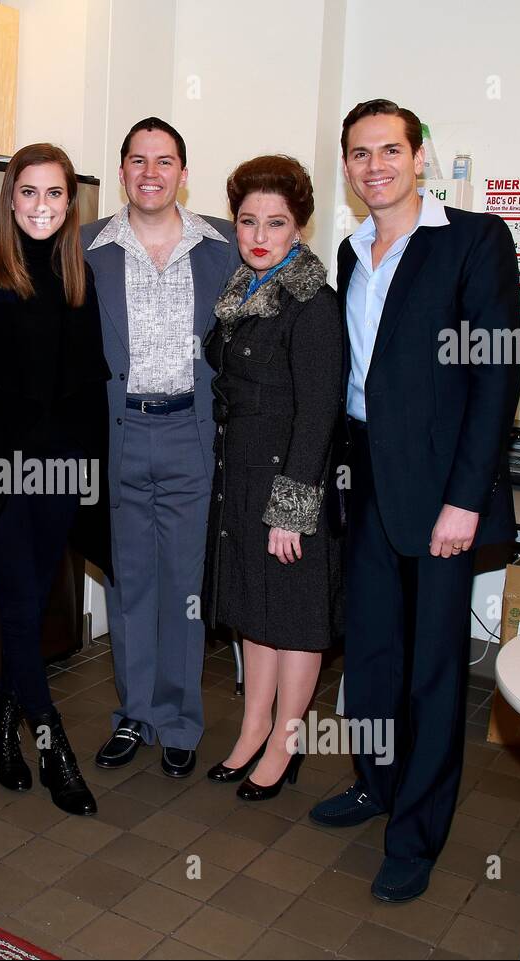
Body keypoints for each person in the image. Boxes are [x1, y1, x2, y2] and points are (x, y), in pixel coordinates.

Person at [307, 99, 520, 902]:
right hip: (361, 479)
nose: (375, 166)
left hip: (438, 493)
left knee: (433, 672)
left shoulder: (473, 239)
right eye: (360, 153)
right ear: (348, 165)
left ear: (420, 155)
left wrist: (465, 501)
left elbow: (496, 377)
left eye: (389, 150)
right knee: (369, 657)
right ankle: (377, 784)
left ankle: (417, 835)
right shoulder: (351, 248)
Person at [0, 143, 112, 816]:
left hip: (60, 477)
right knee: (17, 609)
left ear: (70, 205)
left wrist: (86, 480)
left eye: (55, 194)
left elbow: (88, 390)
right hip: (2, 479)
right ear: (10, 200)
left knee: (29, 612)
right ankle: (53, 746)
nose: (42, 206)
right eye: (29, 193)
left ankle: (1, 735)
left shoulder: (79, 279)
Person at [85, 118, 238, 778]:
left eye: (165, 160)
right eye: (138, 160)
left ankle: (179, 719)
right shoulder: (86, 246)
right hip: (118, 431)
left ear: (183, 172)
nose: (151, 171)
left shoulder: (224, 246)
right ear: (121, 171)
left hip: (190, 431)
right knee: (129, 582)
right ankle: (136, 714)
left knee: (183, 585)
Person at [201, 155, 344, 801]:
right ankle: (253, 724)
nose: (260, 235)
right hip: (241, 475)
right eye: (248, 221)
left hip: (290, 482)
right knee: (252, 612)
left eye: (276, 222)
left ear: (299, 228)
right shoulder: (241, 293)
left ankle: (287, 741)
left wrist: (293, 508)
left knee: (292, 617)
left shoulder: (312, 303)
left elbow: (319, 411)